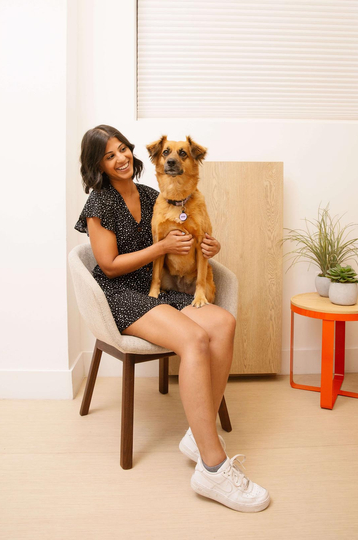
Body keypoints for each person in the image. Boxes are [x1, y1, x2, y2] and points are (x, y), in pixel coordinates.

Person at [75, 124, 270, 513]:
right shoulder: (99, 204)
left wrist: (207, 245)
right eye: (109, 155)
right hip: (120, 295)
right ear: (97, 164)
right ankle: (212, 469)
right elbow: (109, 266)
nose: (121, 158)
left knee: (223, 324)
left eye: (123, 149)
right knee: (195, 339)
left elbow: (186, 240)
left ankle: (196, 438)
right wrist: (161, 247)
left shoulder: (154, 195)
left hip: (158, 286)